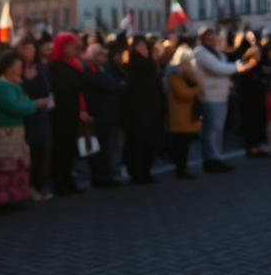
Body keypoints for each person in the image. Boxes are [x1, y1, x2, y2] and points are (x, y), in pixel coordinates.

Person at [0, 50, 47, 207]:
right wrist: (37, 104)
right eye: (18, 67)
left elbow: (24, 100)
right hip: (1, 135)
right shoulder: (0, 87)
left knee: (12, 168)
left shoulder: (14, 84)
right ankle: (0, 202)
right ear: (7, 68)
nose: (21, 70)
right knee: (3, 170)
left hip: (12, 135)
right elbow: (14, 107)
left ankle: (10, 199)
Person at [192, 29, 255, 173]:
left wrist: (244, 60)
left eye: (215, 38)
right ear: (203, 40)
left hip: (221, 95)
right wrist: (240, 67)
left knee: (219, 129)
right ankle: (211, 160)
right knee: (213, 129)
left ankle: (217, 157)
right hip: (210, 96)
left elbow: (226, 67)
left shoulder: (217, 52)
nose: (214, 41)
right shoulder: (201, 53)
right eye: (210, 39)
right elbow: (218, 68)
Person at [49, 33, 93, 195]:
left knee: (70, 150)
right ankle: (59, 182)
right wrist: (77, 111)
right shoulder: (57, 67)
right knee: (62, 149)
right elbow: (62, 93)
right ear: (62, 47)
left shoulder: (75, 64)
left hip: (74, 113)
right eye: (71, 45)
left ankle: (68, 179)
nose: (75, 47)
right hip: (63, 114)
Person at [120, 36, 166, 184]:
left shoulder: (150, 65)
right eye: (140, 47)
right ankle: (137, 172)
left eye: (145, 47)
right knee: (138, 142)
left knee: (150, 142)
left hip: (152, 109)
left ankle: (146, 170)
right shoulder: (132, 64)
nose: (143, 50)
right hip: (138, 110)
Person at [82, 43, 126, 186]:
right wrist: (119, 85)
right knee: (99, 147)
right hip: (98, 113)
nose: (104, 57)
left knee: (106, 146)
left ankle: (105, 174)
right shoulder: (90, 69)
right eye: (100, 54)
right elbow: (106, 84)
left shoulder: (105, 68)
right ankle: (99, 175)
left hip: (107, 113)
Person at [19, 37, 54, 201]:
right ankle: (30, 187)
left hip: (42, 114)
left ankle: (39, 186)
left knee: (43, 153)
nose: (29, 53)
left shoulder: (40, 68)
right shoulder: (17, 69)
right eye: (26, 49)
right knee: (31, 154)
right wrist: (26, 80)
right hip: (27, 116)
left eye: (32, 49)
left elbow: (46, 89)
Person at [165, 46, 202, 179]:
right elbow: (184, 94)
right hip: (179, 114)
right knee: (181, 144)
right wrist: (198, 89)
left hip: (187, 113)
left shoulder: (185, 73)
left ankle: (183, 167)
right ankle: (180, 169)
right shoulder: (173, 74)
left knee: (185, 144)